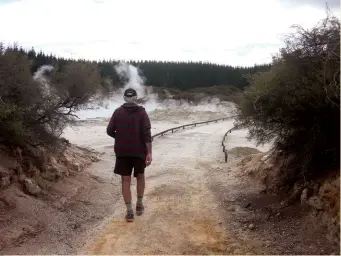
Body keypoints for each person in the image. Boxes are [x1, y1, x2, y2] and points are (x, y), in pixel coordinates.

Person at [106, 88, 152, 222]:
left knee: (125, 180)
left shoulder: (117, 112)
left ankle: (129, 212)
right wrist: (149, 152)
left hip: (122, 151)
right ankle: (139, 205)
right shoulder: (142, 113)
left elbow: (109, 130)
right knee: (140, 177)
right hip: (139, 151)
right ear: (136, 98)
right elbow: (146, 133)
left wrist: (119, 137)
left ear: (124, 98)